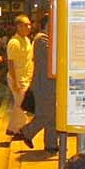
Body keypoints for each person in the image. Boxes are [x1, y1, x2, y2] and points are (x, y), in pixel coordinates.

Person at [20, 14, 58, 152]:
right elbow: (53, 58)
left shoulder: (47, 39)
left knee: (53, 115)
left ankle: (51, 144)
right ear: (48, 25)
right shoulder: (42, 39)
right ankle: (27, 131)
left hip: (49, 85)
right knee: (46, 114)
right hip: (43, 85)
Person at [6, 14, 34, 138]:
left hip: (26, 78)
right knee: (21, 105)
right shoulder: (14, 43)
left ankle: (12, 129)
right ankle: (21, 130)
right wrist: (15, 81)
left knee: (19, 105)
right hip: (17, 78)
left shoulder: (27, 41)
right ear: (18, 26)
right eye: (26, 25)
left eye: (29, 24)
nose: (29, 27)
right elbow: (10, 63)